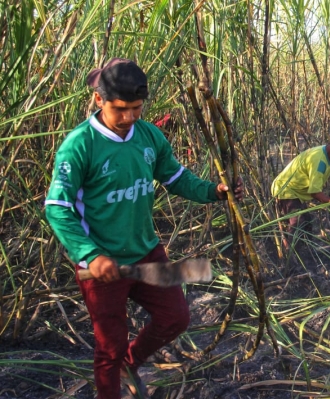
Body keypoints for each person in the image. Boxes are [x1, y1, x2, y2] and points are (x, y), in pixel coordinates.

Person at [44, 58, 242, 399]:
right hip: (100, 262)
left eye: (137, 109)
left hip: (147, 252)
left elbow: (176, 177)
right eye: (121, 109)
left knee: (176, 318)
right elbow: (57, 208)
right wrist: (90, 256)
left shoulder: (149, 136)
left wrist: (214, 192)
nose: (130, 118)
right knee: (109, 347)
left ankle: (130, 362)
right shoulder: (79, 145)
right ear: (98, 101)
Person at [271, 133, 330, 250]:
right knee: (298, 224)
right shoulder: (319, 162)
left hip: (297, 193)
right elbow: (314, 192)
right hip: (285, 190)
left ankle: (306, 253)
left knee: (307, 223)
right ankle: (290, 257)